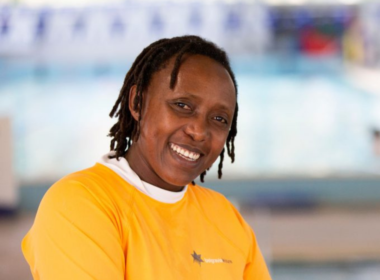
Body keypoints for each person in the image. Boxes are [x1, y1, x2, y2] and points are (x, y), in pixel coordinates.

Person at [22, 35, 271, 280]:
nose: (198, 131)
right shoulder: (78, 204)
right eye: (182, 105)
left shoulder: (225, 217)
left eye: (219, 119)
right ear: (138, 102)